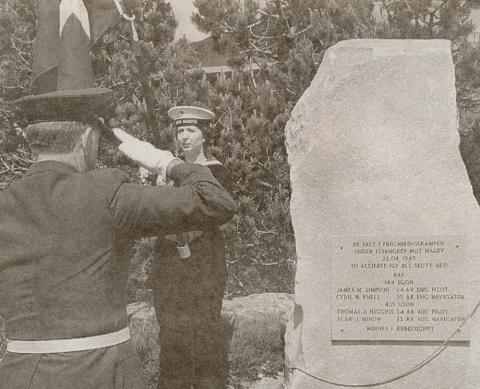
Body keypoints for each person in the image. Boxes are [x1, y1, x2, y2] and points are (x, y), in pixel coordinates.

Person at [0, 119, 237, 389]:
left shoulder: (5, 204)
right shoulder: (109, 194)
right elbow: (215, 201)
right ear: (86, 140)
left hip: (21, 376)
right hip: (104, 372)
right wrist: (166, 162)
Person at [150, 106, 233, 389]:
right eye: (180, 131)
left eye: (191, 130)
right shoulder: (167, 173)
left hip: (203, 260)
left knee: (204, 330)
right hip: (169, 262)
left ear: (204, 137)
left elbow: (204, 213)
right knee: (171, 332)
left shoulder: (214, 172)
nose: (184, 137)